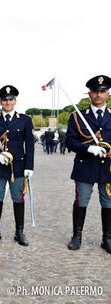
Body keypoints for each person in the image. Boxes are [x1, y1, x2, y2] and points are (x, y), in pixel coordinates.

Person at [0, 85, 34, 246]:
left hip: (17, 167)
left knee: (18, 198)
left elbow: (30, 145)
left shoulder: (25, 120)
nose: (8, 102)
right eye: (5, 100)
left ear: (15, 101)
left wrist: (29, 166)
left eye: (11, 99)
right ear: (0, 102)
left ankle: (19, 232)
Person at [65, 75, 111, 254]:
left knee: (108, 202)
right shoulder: (77, 117)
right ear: (89, 94)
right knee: (81, 200)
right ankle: (77, 236)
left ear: (107, 93)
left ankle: (107, 238)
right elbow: (70, 141)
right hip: (85, 165)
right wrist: (89, 149)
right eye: (94, 92)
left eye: (102, 91)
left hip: (107, 167)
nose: (98, 95)